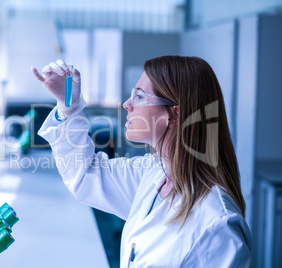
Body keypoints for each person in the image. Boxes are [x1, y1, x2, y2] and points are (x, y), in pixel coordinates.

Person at [31, 56, 252, 267]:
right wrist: (68, 106)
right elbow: (85, 175)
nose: (127, 104)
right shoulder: (153, 173)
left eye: (139, 95)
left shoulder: (216, 226)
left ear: (174, 114)